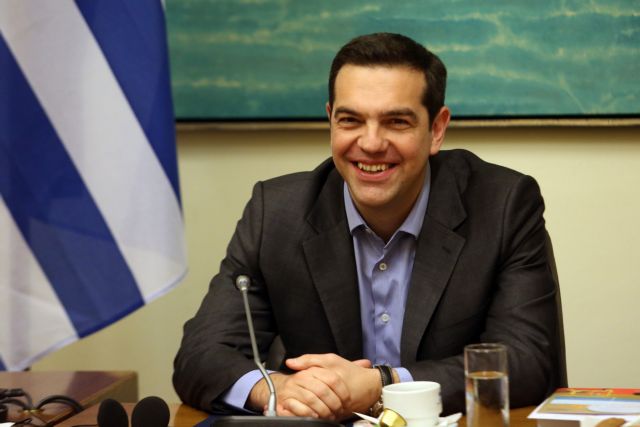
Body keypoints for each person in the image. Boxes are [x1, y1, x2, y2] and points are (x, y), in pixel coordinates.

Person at [173, 32, 562, 421]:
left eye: (396, 122)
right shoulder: (275, 214)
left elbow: (527, 361)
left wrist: (382, 384)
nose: (371, 143)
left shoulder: (502, 205)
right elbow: (199, 356)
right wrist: (279, 389)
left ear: (437, 129)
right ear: (331, 120)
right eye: (350, 120)